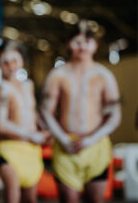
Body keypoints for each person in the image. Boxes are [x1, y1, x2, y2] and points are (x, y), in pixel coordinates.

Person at [42, 21, 121, 203]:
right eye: (77, 41)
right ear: (69, 44)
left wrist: (93, 138)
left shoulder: (104, 75)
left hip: (96, 146)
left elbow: (114, 114)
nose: (82, 46)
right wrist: (62, 138)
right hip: (65, 146)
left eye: (87, 41)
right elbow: (46, 111)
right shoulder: (57, 75)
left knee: (96, 200)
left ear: (95, 46)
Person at [0, 41, 50, 203]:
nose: (11, 66)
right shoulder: (2, 88)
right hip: (10, 150)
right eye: (5, 62)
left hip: (31, 150)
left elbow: (32, 114)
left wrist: (45, 129)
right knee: (13, 198)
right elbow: (0, 123)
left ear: (22, 60)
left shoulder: (28, 85)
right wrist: (31, 135)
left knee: (31, 199)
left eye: (15, 60)